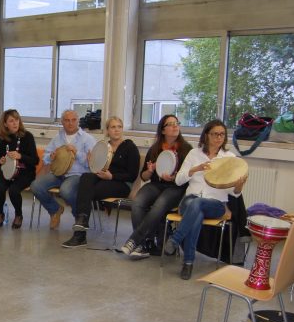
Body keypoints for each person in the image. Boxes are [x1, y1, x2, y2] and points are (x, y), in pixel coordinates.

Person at [163, 119, 247, 280]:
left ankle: (177, 241)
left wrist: (238, 186)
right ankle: (187, 262)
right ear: (206, 136)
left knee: (198, 205)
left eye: (222, 134)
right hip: (189, 201)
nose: (218, 137)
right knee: (196, 209)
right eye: (215, 134)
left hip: (217, 204)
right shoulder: (194, 154)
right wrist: (196, 169)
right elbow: (178, 180)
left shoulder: (229, 158)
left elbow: (234, 193)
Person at [120, 114, 192, 259]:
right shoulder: (155, 149)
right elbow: (144, 177)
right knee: (138, 202)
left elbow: (187, 178)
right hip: (156, 184)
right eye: (170, 124)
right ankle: (144, 245)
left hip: (176, 187)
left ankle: (135, 240)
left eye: (176, 123)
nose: (175, 126)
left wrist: (174, 177)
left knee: (160, 204)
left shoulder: (186, 149)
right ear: (163, 130)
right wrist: (150, 170)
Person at [65, 117, 140, 248]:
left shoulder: (130, 147)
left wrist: (112, 176)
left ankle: (80, 234)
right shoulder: (103, 146)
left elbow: (132, 176)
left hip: (121, 184)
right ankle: (82, 221)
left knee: (87, 191)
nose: (116, 130)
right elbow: (97, 168)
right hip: (102, 178)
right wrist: (91, 163)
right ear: (107, 131)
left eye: (119, 127)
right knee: (86, 177)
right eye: (113, 127)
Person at [30, 110, 95, 231]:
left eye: (73, 120)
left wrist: (77, 153)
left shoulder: (88, 139)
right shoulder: (57, 138)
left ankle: (79, 217)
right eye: (67, 120)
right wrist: (51, 157)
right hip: (57, 174)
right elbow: (46, 157)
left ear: (78, 121)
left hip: (78, 175)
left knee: (66, 191)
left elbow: (92, 164)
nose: (70, 123)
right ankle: (55, 210)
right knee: (35, 186)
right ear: (62, 122)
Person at [0, 109, 39, 229]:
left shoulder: (27, 137)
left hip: (25, 173)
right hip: (8, 172)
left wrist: (20, 156)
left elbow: (35, 160)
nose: (15, 123)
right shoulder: (3, 138)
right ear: (5, 124)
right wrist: (0, 160)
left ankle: (18, 215)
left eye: (17, 120)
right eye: (11, 121)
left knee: (14, 190)